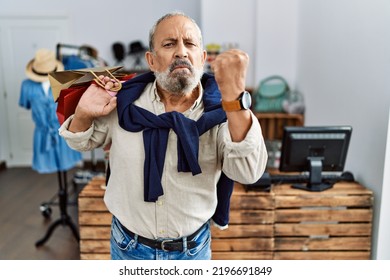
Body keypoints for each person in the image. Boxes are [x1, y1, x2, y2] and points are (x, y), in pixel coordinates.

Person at [59, 12, 267, 260]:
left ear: (202, 58)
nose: (181, 52)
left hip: (193, 251)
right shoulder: (123, 100)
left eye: (189, 44)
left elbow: (248, 173)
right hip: (128, 247)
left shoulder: (223, 111)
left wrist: (235, 100)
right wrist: (83, 113)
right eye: (169, 44)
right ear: (152, 60)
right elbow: (80, 142)